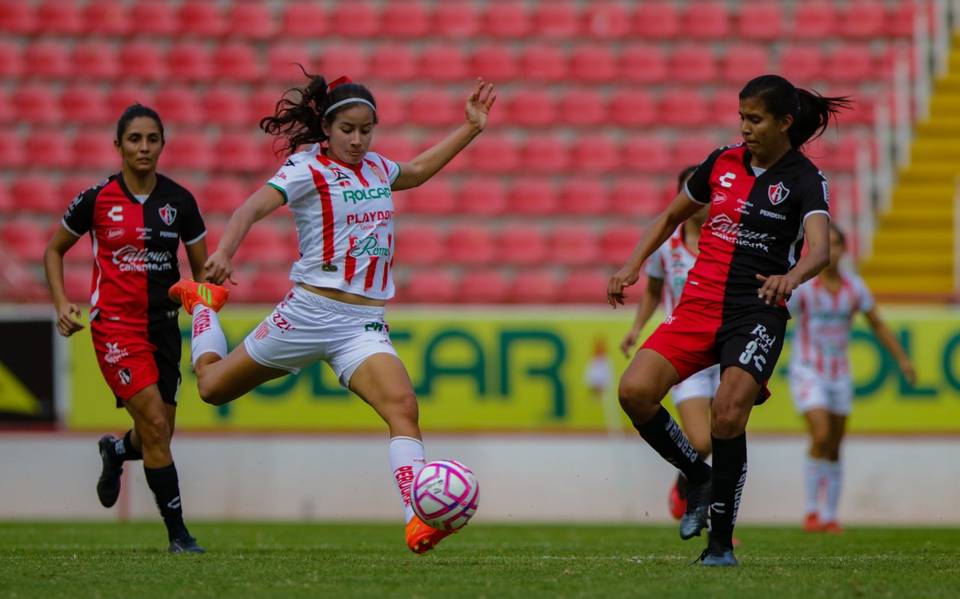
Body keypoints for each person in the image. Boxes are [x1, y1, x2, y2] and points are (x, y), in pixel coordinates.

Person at [166, 73, 496, 554]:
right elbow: (249, 209)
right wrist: (225, 253)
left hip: (361, 325)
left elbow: (420, 171)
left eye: (366, 130)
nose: (358, 140)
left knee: (402, 407)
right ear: (327, 127)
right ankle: (202, 307)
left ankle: (416, 520)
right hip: (308, 313)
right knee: (212, 388)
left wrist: (471, 128)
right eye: (348, 130)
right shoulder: (306, 168)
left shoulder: (379, 168)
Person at [608, 74, 849, 566]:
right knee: (633, 391)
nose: (745, 128)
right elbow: (669, 217)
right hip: (697, 304)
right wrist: (633, 263)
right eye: (741, 117)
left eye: (755, 119)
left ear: (784, 122)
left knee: (727, 412)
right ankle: (697, 477)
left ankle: (720, 546)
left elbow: (820, 250)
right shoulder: (720, 162)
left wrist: (792, 276)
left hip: (756, 309)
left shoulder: (804, 180)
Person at [43, 105, 209, 553]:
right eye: (134, 139)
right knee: (155, 425)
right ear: (118, 146)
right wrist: (62, 302)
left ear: (162, 145)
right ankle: (179, 536)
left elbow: (201, 275)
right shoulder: (95, 199)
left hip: (164, 328)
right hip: (116, 327)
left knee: (159, 433)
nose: (143, 148)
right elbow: (54, 251)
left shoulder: (181, 202)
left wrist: (207, 291)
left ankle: (117, 452)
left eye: (152, 139)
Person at [788, 224, 915, 534]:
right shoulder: (804, 288)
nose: (831, 250)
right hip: (808, 370)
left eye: (836, 244)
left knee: (834, 444)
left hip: (840, 374)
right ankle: (811, 511)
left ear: (845, 250)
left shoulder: (854, 288)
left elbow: (878, 325)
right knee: (820, 434)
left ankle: (830, 515)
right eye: (825, 244)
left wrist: (902, 359)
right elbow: (777, 317)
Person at [619, 165, 718, 521]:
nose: (701, 202)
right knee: (702, 442)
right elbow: (654, 292)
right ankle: (688, 481)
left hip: (722, 353)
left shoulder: (724, 243)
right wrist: (637, 327)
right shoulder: (666, 247)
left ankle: (720, 523)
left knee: (726, 436)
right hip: (687, 355)